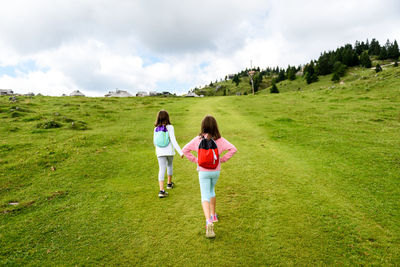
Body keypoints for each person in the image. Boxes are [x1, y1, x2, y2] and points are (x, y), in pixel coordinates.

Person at [182, 115, 237, 238]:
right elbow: (233, 149)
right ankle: (213, 215)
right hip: (215, 171)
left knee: (204, 195)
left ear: (203, 126)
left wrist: (196, 160)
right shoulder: (220, 140)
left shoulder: (198, 140)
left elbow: (185, 150)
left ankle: (208, 221)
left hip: (203, 171)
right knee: (212, 190)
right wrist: (222, 159)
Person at [153, 110, 183, 198]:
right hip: (169, 151)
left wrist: (159, 150)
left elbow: (154, 142)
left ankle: (161, 191)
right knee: (169, 165)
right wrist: (180, 152)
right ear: (167, 117)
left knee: (161, 169)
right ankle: (169, 184)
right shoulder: (170, 127)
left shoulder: (155, 129)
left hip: (160, 152)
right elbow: (173, 140)